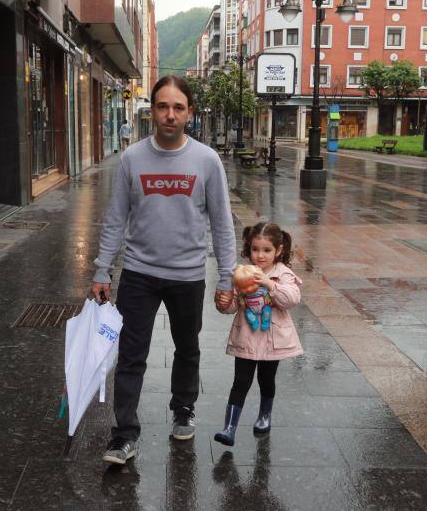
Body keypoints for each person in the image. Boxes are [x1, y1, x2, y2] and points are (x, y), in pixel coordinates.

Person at [91, 75, 236, 465]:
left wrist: (227, 276)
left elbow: (222, 223)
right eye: (162, 106)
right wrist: (102, 270)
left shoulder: (206, 160)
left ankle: (183, 408)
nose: (169, 115)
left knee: (187, 349)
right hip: (138, 274)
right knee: (132, 355)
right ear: (151, 109)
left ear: (189, 113)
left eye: (178, 107)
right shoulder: (132, 158)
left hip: (188, 275)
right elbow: (115, 218)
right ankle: (123, 435)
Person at [214, 222, 303, 447]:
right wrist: (224, 302)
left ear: (278, 250)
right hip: (246, 336)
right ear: (248, 249)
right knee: (240, 381)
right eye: (255, 250)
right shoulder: (243, 273)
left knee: (266, 379)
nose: (260, 256)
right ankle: (230, 427)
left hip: (273, 340)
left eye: (266, 250)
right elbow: (234, 304)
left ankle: (265, 415)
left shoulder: (283, 274)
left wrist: (270, 285)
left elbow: (291, 300)